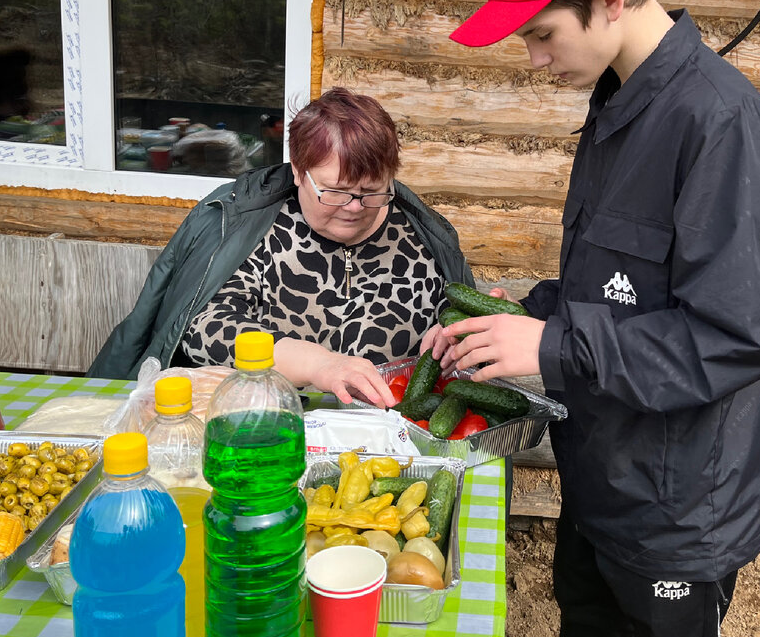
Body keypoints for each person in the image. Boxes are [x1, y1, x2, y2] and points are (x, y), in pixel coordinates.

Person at [439, 0, 760, 637]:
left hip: (678, 505)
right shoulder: (614, 105)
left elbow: (735, 334)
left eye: (540, 35)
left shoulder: (722, 122)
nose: (535, 60)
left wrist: (554, 349)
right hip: (601, 473)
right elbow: (618, 289)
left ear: (606, 2)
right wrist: (525, 312)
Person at [89, 87, 473, 407]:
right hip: (260, 428)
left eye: (372, 191)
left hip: (389, 433)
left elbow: (452, 331)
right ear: (298, 172)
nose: (355, 208)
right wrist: (316, 365)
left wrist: (461, 329)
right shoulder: (251, 225)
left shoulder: (424, 237)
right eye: (335, 191)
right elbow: (205, 330)